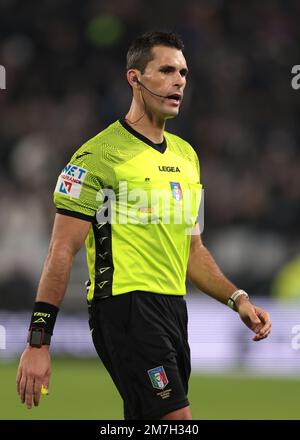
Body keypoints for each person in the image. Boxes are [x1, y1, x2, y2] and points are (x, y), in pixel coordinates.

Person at [16, 31, 271, 420]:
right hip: (125, 307)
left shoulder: (187, 157)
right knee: (176, 421)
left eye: (183, 72)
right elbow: (61, 251)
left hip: (174, 309)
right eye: (166, 70)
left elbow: (193, 250)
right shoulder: (96, 157)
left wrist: (238, 299)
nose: (179, 81)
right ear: (134, 78)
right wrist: (38, 342)